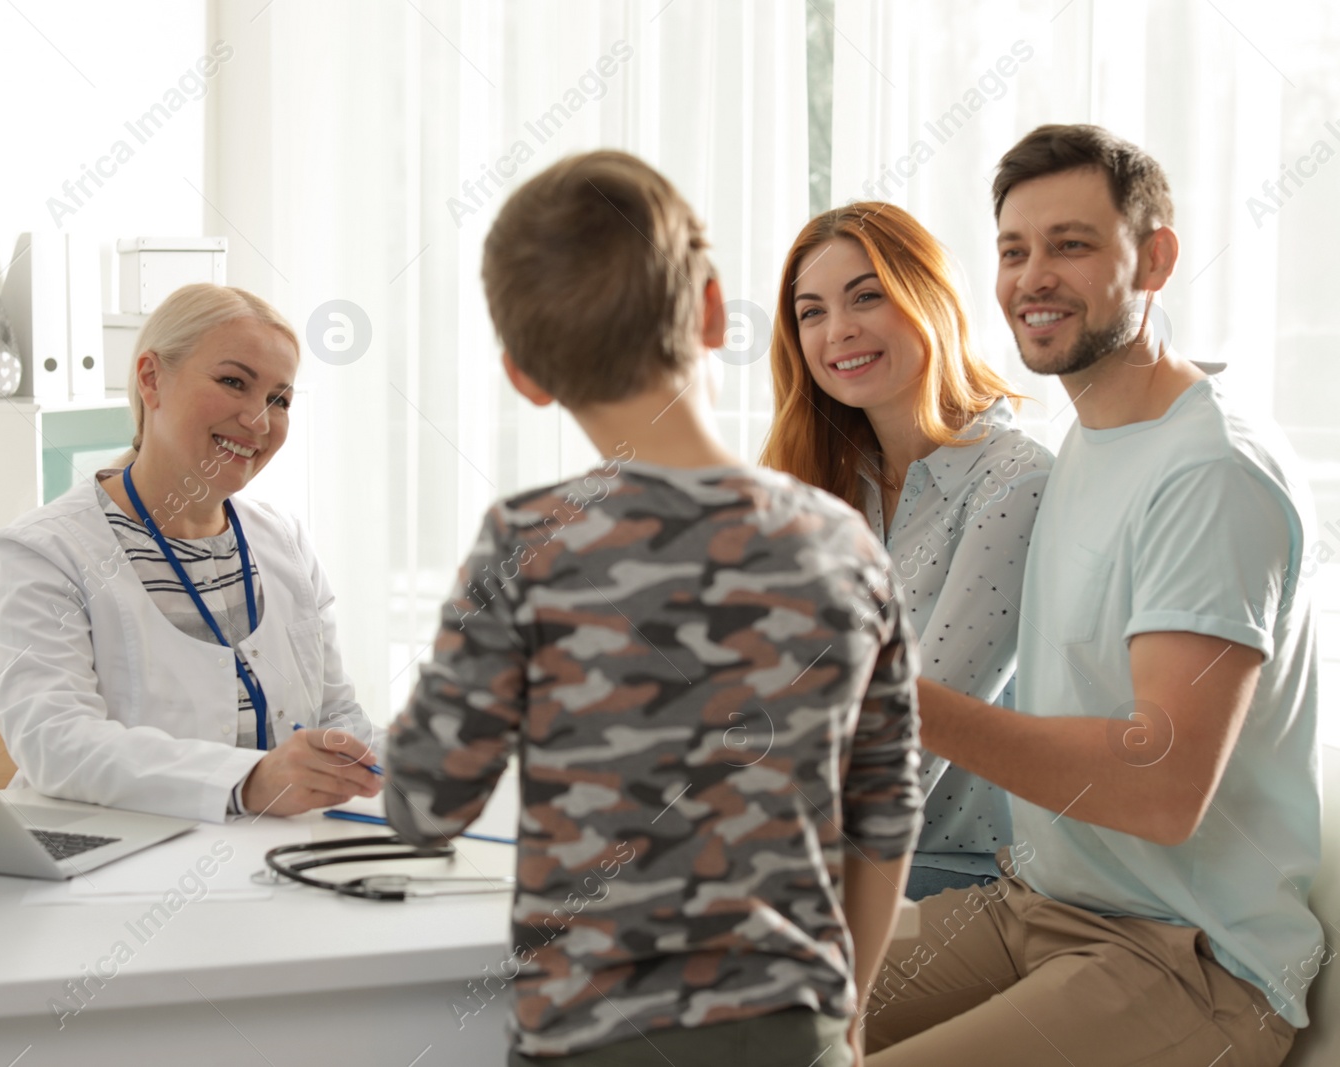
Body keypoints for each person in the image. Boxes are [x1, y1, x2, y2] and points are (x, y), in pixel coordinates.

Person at [384, 149, 923, 1067]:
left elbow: (423, 805)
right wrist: (848, 1020)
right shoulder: (844, 544)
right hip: (799, 1037)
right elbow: (885, 814)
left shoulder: (527, 542)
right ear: (714, 309)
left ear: (525, 374)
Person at [864, 125, 1323, 1066]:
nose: (1034, 277)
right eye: (1013, 250)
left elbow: (1160, 789)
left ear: (1154, 258)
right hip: (1035, 907)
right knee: (727, 1021)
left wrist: (891, 697)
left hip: (1187, 964)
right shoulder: (1091, 437)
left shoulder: (1209, 472)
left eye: (1071, 245)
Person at [0, 283, 381, 822]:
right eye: (233, 382)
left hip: (268, 859)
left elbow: (336, 716)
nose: (258, 421)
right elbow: (55, 742)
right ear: (152, 379)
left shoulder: (283, 542)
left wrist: (435, 748)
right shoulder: (47, 551)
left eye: (279, 399)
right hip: (113, 873)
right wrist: (248, 782)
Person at [760, 201, 1053, 902]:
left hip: (961, 879)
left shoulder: (1016, 482)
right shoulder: (826, 487)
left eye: (867, 296)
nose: (839, 331)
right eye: (812, 312)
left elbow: (914, 742)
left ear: (931, 299)